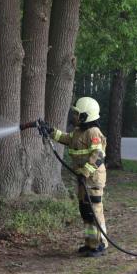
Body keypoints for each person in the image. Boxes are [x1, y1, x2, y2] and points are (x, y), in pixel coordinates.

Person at [49, 97, 108, 257]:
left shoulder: (93, 132)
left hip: (93, 178)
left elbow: (98, 155)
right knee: (85, 211)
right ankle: (90, 243)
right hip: (83, 178)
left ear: (85, 116)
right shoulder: (78, 131)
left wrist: (85, 172)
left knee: (93, 211)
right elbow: (67, 138)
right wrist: (51, 132)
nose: (73, 116)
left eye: (77, 113)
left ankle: (98, 245)